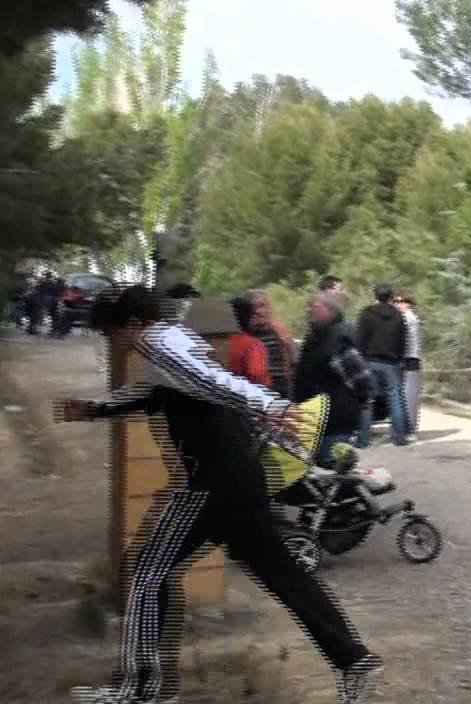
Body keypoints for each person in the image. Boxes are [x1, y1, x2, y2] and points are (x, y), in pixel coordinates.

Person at [60, 285, 380, 704]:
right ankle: (353, 660)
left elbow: (212, 382)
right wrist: (97, 408)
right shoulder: (175, 341)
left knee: (147, 571)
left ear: (132, 324)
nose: (113, 343)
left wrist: (267, 404)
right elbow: (159, 394)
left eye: (110, 333)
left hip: (210, 483)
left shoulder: (157, 343)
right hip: (239, 479)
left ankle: (142, 691)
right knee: (283, 573)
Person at [294, 292, 376, 467]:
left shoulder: (338, 337)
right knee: (322, 469)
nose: (308, 310)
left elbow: (359, 375)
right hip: (318, 416)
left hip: (335, 418)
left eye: (313, 306)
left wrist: (365, 396)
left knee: (332, 467)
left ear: (328, 309)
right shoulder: (319, 335)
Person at [356, 284, 409, 447]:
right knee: (395, 398)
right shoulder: (399, 316)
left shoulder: (366, 314)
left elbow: (360, 338)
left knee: (367, 399)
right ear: (391, 297)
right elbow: (403, 340)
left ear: (376, 296)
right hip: (391, 362)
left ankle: (364, 439)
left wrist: (359, 357)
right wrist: (400, 359)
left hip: (369, 360)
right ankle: (399, 437)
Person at [246, 289, 294, 400]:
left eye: (262, 306)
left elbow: (291, 359)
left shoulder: (280, 330)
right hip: (258, 390)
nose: (259, 311)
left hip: (283, 388)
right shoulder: (244, 334)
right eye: (254, 307)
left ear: (268, 308)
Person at [227, 296, 271, 388]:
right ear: (247, 318)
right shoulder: (251, 344)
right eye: (253, 316)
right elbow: (257, 374)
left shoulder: (226, 341)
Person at [396, 294, 422, 439]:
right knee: (405, 396)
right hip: (407, 359)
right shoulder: (407, 317)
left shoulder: (408, 318)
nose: (397, 304)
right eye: (396, 301)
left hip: (410, 359)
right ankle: (406, 429)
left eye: (400, 302)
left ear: (408, 304)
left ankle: (410, 431)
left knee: (409, 397)